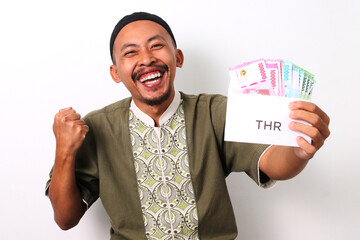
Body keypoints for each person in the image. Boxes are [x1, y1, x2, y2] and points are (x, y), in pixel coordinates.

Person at [46, 12, 330, 240]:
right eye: (131, 52)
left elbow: (272, 163)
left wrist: (301, 150)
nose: (146, 58)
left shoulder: (215, 111)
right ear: (115, 72)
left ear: (177, 57)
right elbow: (66, 219)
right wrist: (64, 152)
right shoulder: (97, 126)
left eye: (157, 45)